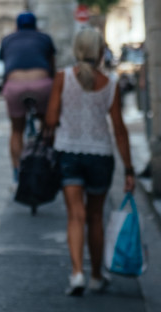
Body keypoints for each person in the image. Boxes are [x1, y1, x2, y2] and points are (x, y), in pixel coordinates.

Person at [44, 24, 135, 297]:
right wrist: (129, 169)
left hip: (68, 152)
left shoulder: (62, 78)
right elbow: (119, 129)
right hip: (100, 156)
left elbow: (50, 119)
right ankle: (96, 275)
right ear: (99, 52)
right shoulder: (110, 85)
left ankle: (76, 274)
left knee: (75, 214)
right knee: (95, 217)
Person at [0, 11, 57, 175]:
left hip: (15, 87)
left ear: (16, 26)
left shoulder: (7, 39)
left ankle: (18, 172)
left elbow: (7, 65)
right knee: (48, 125)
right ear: (35, 25)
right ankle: (48, 163)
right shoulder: (44, 38)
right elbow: (52, 67)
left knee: (16, 130)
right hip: (41, 85)